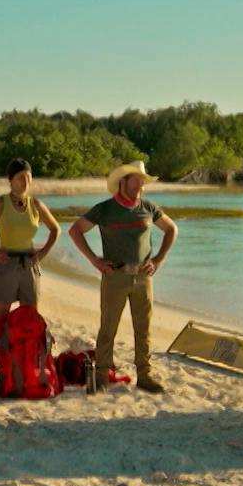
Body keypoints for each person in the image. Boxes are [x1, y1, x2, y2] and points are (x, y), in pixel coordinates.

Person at [68, 160, 178, 394]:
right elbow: (75, 230)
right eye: (136, 179)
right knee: (108, 328)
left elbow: (171, 229)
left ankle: (145, 376)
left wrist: (158, 259)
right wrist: (94, 260)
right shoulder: (105, 209)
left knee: (144, 328)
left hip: (143, 277)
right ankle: (101, 376)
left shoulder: (148, 208)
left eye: (142, 180)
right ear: (123, 182)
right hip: (114, 277)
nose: (140, 184)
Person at [0, 158, 60, 350]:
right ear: (11, 180)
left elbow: (55, 230)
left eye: (28, 177)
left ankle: (26, 367)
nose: (24, 181)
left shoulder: (36, 205)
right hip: (6, 265)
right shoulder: (0, 204)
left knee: (29, 321)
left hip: (28, 266)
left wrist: (41, 254)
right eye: (20, 177)